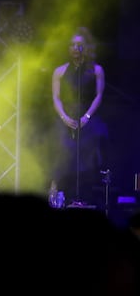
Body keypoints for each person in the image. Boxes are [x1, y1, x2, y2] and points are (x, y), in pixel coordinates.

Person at [50, 26, 108, 205]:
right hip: (67, 117)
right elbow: (56, 97)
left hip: (86, 118)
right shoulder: (59, 72)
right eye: (73, 45)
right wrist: (64, 117)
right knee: (63, 158)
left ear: (86, 47)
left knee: (87, 159)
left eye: (80, 45)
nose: (76, 48)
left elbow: (99, 95)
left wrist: (87, 117)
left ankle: (85, 199)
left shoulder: (96, 70)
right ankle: (60, 198)